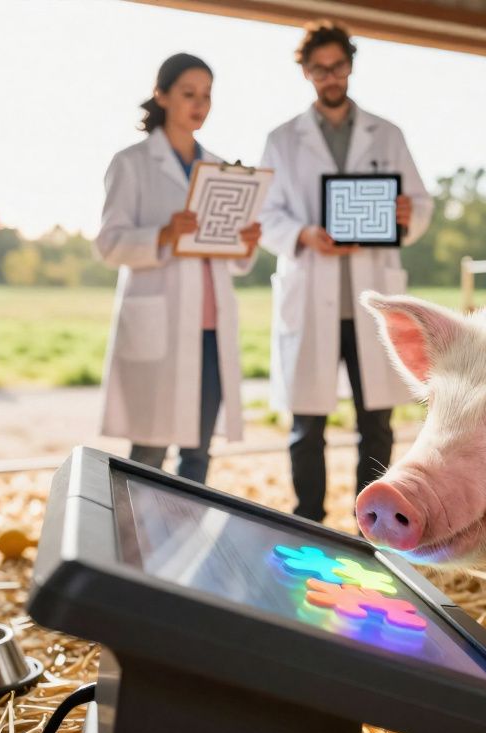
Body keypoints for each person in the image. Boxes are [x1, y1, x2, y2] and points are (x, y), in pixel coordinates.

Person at [259, 21, 433, 523]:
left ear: (350, 66)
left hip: (370, 296)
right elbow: (265, 214)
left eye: (337, 67)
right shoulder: (282, 140)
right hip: (310, 290)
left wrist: (407, 215)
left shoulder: (388, 133)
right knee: (306, 423)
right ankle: (307, 520)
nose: (329, 77)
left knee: (376, 422)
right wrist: (303, 234)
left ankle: (371, 526)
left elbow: (420, 202)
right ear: (306, 72)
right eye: (319, 69)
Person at [96, 52, 260, 484]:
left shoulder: (221, 168)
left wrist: (244, 244)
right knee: (149, 450)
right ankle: (130, 547)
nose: (199, 104)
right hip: (161, 325)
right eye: (189, 94)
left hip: (211, 329)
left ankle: (182, 545)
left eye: (206, 95)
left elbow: (232, 261)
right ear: (161, 95)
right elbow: (109, 245)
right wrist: (163, 235)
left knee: (198, 455)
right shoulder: (131, 163)